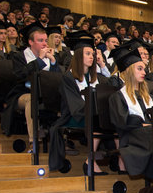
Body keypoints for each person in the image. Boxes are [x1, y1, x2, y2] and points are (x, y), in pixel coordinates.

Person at [48, 33, 123, 175]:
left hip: (92, 114)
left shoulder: (96, 77)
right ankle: (90, 161)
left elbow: (111, 89)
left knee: (119, 121)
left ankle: (120, 161)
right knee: (98, 121)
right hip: (74, 115)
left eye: (93, 54)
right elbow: (74, 106)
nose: (92, 57)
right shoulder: (68, 78)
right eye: (88, 53)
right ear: (77, 57)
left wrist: (102, 65)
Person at [2, 23, 63, 148]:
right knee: (31, 100)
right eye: (40, 40)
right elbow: (20, 75)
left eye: (45, 40)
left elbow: (57, 79)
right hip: (23, 93)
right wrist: (39, 61)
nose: (45, 44)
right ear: (30, 42)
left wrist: (53, 61)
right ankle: (33, 140)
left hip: (46, 94)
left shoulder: (50, 57)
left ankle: (61, 141)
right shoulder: (19, 56)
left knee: (64, 99)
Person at [108, 47, 153, 178]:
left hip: (149, 133)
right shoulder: (118, 97)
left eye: (144, 69)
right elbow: (121, 121)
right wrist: (141, 124)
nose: (144, 72)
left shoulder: (150, 97)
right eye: (139, 69)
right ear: (129, 71)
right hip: (131, 137)